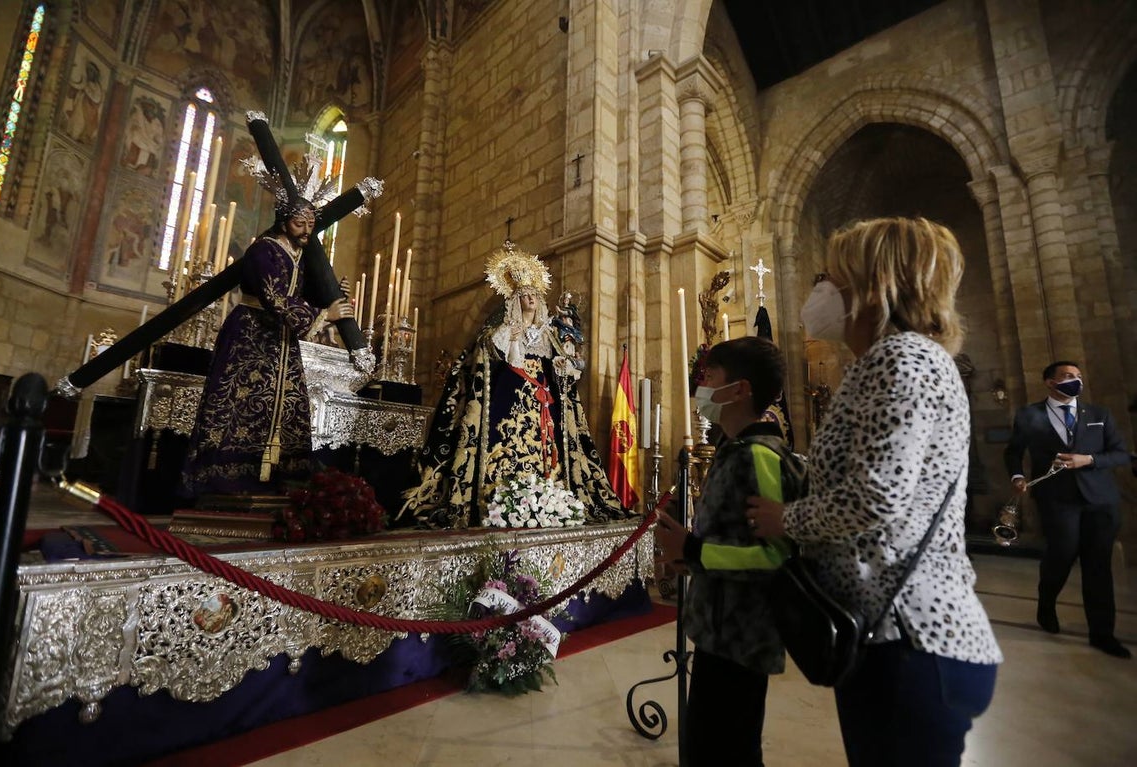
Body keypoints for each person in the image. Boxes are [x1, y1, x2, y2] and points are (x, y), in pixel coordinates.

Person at [746, 217, 1002, 766]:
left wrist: (783, 518)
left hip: (911, 632)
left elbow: (876, 496)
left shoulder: (901, 357)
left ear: (874, 286)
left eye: (831, 276)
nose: (821, 290)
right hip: (886, 631)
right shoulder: (888, 361)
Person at [653, 337, 806, 767]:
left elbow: (773, 555)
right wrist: (692, 557)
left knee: (730, 749)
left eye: (709, 377)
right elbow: (733, 537)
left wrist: (696, 550)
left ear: (740, 389)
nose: (701, 387)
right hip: (720, 630)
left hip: (743, 637)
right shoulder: (733, 450)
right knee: (708, 744)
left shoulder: (760, 456)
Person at [400, 244, 627, 528]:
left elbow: (562, 370)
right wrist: (508, 337)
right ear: (515, 301)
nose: (531, 298)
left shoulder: (549, 336)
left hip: (542, 405)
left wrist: (562, 369)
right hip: (509, 402)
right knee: (507, 445)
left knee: (546, 450)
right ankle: (501, 497)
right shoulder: (503, 331)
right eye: (525, 295)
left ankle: (547, 497)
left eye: (534, 294)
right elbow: (486, 355)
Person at [182, 200, 354, 496]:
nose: (306, 231)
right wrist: (326, 316)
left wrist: (332, 295)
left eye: (310, 226)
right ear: (284, 221)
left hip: (280, 338)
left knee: (284, 404)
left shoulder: (298, 254)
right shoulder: (264, 250)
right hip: (250, 333)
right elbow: (274, 297)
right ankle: (225, 480)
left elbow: (300, 293)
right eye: (300, 224)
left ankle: (275, 476)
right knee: (240, 404)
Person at [1003, 361, 1131, 658]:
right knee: (1060, 555)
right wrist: (1018, 476)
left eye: (1078, 376)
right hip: (1057, 499)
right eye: (1067, 376)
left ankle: (1102, 634)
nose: (1075, 380)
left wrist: (1088, 460)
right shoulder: (1029, 414)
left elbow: (1120, 453)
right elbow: (1013, 451)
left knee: (1098, 566)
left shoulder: (1099, 414)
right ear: (1050, 382)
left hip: (1100, 499)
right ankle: (1046, 603)